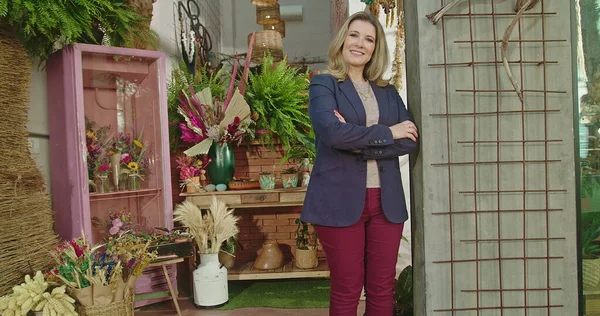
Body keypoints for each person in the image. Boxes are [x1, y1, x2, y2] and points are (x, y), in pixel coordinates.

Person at [300, 11, 418, 316]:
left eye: (369, 39)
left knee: (382, 288)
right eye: (354, 35)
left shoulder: (388, 92)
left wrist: (358, 142)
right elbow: (332, 133)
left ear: (375, 48)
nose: (360, 44)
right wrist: (387, 133)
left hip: (386, 202)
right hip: (339, 201)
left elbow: (408, 140)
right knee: (347, 288)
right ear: (343, 40)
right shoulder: (324, 84)